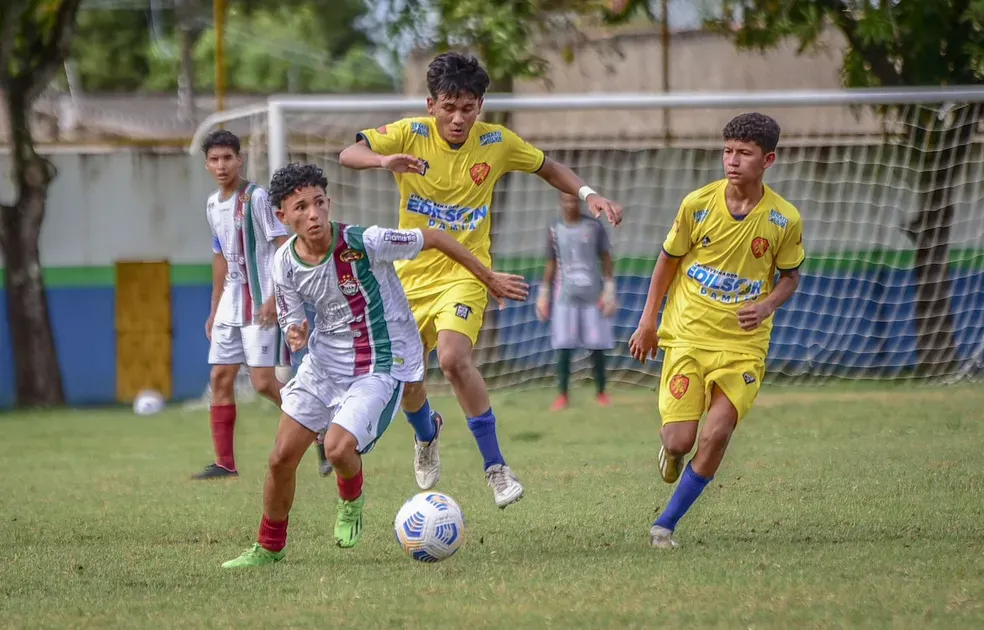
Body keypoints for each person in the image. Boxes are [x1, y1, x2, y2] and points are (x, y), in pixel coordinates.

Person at [339, 51, 623, 508]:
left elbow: (549, 168)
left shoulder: (497, 141)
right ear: (431, 105)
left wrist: (590, 195)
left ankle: (496, 468)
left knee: (453, 359)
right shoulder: (410, 133)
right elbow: (348, 153)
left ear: (481, 106)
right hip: (408, 280)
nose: (457, 118)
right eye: (448, 108)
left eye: (467, 108)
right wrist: (383, 160)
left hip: (467, 274)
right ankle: (427, 434)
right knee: (410, 382)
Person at [221, 163, 529, 568]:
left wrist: (487, 277)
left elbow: (434, 236)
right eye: (300, 207)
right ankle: (269, 547)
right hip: (323, 364)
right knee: (280, 458)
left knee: (337, 447)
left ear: (328, 203)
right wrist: (294, 331)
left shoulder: (365, 241)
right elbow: (291, 316)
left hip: (381, 361)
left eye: (318, 203)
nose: (313, 214)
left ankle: (351, 499)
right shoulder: (283, 262)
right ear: (282, 216)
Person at [629, 113, 805, 549]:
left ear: (768, 160)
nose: (732, 160)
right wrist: (648, 321)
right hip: (688, 335)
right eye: (728, 151)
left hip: (743, 347)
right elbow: (667, 261)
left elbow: (789, 277)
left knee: (718, 433)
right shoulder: (697, 205)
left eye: (744, 153)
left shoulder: (784, 220)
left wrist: (765, 305)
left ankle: (665, 525)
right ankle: (671, 454)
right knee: (680, 439)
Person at [196, 130, 330, 479]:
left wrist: (274, 296)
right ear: (207, 164)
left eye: (228, 158)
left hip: (261, 300)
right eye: (214, 159)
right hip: (230, 301)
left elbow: (283, 242)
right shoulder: (212, 205)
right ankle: (225, 463)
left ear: (239, 160)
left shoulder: (257, 199)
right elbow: (220, 258)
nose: (222, 165)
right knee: (220, 377)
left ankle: (320, 430)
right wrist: (214, 309)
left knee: (262, 383)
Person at [536, 192, 618, 411]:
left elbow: (606, 258)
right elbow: (551, 262)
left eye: (574, 200)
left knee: (597, 344)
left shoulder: (594, 227)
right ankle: (563, 395)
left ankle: (601, 392)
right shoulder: (554, 228)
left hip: (593, 294)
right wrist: (544, 294)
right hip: (565, 296)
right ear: (561, 203)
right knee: (563, 343)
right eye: (566, 200)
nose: (571, 204)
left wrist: (609, 290)